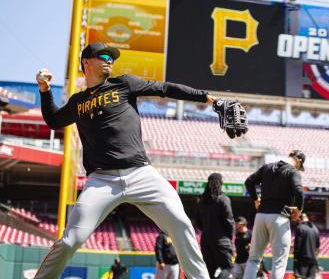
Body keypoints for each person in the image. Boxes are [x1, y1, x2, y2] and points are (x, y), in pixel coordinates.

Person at [33, 42, 214, 279]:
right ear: (86, 62)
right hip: (101, 181)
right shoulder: (78, 102)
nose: (110, 59)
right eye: (104, 55)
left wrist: (207, 97)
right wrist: (45, 90)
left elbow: (165, 89)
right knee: (70, 241)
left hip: (141, 174)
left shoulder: (124, 84)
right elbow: (54, 121)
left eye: (112, 57)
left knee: (181, 223)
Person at [243, 150, 306, 279]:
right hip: (279, 217)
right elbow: (299, 191)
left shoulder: (267, 167)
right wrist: (299, 210)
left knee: (253, 259)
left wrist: (255, 200)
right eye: (300, 166)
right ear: (299, 160)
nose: (299, 168)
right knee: (279, 262)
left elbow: (249, 182)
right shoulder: (293, 171)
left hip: (261, 216)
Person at [196, 173, 235, 279]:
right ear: (220, 183)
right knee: (229, 269)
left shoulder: (202, 201)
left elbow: (198, 222)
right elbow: (229, 221)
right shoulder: (223, 199)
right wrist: (229, 238)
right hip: (222, 241)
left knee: (209, 271)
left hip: (205, 241)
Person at [293, 213, 320, 279]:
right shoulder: (315, 228)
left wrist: (295, 256)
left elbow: (298, 244)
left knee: (300, 277)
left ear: (300, 219)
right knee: (311, 277)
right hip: (313, 259)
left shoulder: (300, 228)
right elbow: (318, 245)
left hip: (302, 258)